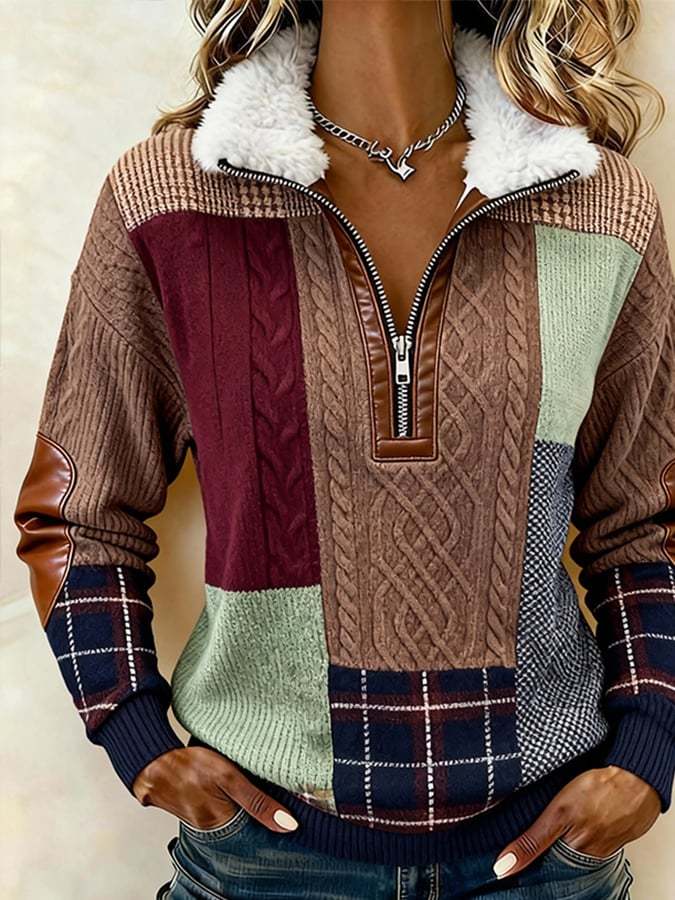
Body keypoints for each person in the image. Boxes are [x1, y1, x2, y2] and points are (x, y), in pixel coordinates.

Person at [14, 1, 674, 897]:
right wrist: (135, 733)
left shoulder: (601, 207)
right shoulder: (171, 200)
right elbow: (78, 512)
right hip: (263, 857)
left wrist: (647, 749)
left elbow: (647, 523)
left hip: (544, 857)